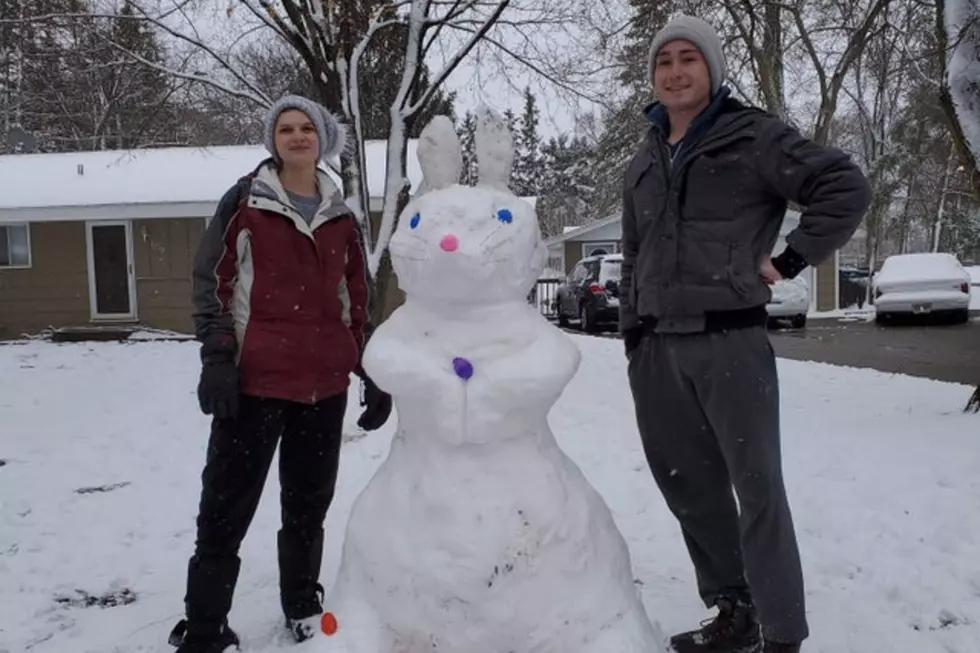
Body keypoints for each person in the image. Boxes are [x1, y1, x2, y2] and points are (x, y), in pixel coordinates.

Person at [619, 15, 871, 653]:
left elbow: (844, 186)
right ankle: (735, 609)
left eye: (688, 59)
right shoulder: (645, 156)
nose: (674, 71)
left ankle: (782, 632)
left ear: (712, 68)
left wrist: (789, 260)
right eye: (663, 61)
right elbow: (632, 251)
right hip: (657, 350)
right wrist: (632, 335)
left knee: (757, 489)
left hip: (730, 342)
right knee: (689, 486)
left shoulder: (753, 136)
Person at [168, 95, 392, 653]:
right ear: (274, 141)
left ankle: (302, 604)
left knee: (308, 505)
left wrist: (369, 365)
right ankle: (205, 623)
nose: (296, 137)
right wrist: (219, 358)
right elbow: (212, 282)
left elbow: (354, 297)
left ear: (322, 140)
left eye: (306, 129)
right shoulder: (246, 201)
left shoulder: (341, 214)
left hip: (324, 386)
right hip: (255, 383)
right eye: (285, 129)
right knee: (225, 503)